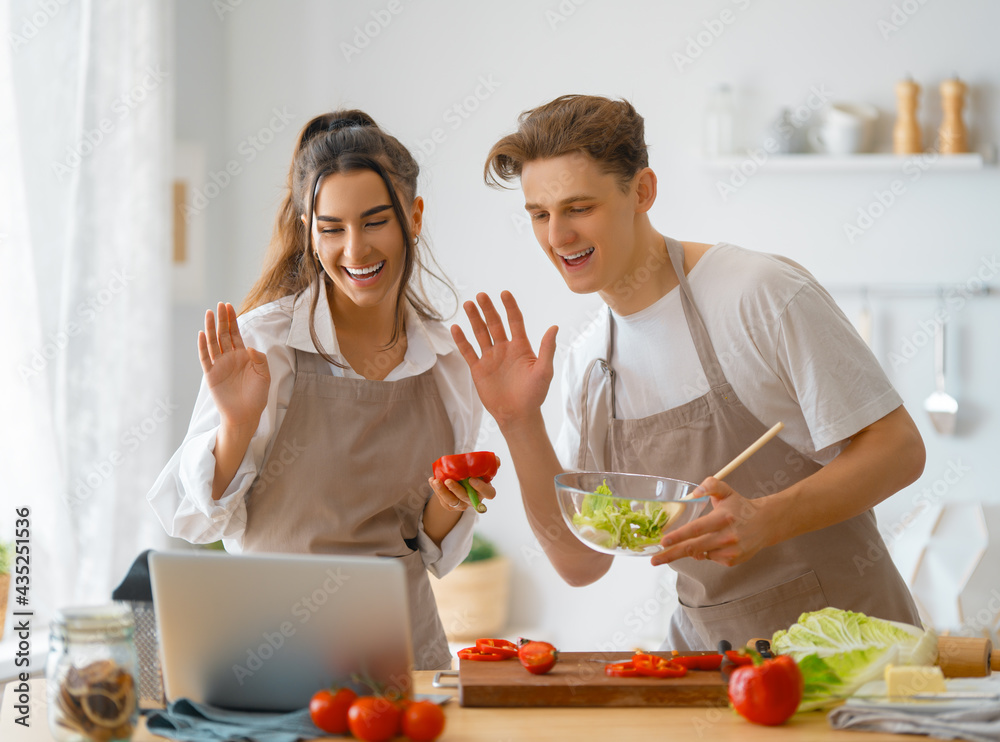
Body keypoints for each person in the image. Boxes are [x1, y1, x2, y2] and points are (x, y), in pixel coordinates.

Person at [452, 94, 925, 650]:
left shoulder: (758, 293)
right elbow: (580, 562)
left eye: (579, 207)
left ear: (643, 192)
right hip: (712, 669)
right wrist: (517, 421)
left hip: (856, 654)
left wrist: (766, 518)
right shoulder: (589, 364)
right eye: (539, 214)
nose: (557, 237)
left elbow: (900, 449)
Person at [147, 110, 493, 670]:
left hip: (403, 657)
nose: (355, 250)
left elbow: (426, 549)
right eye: (331, 228)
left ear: (414, 216)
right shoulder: (266, 346)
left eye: (376, 221)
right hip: (267, 652)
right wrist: (235, 426)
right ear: (309, 231)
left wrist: (449, 503)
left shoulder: (447, 363)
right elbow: (195, 520)